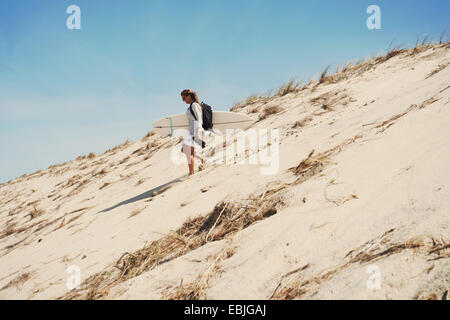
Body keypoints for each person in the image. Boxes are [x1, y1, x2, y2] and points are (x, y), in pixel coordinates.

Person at [180, 89, 206, 175]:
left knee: (188, 151)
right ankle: (202, 160)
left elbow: (199, 119)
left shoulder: (194, 105)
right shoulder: (191, 106)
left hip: (196, 131)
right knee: (184, 150)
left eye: (184, 98)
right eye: (182, 99)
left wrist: (197, 133)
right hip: (192, 132)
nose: (183, 101)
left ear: (189, 96)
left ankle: (191, 173)